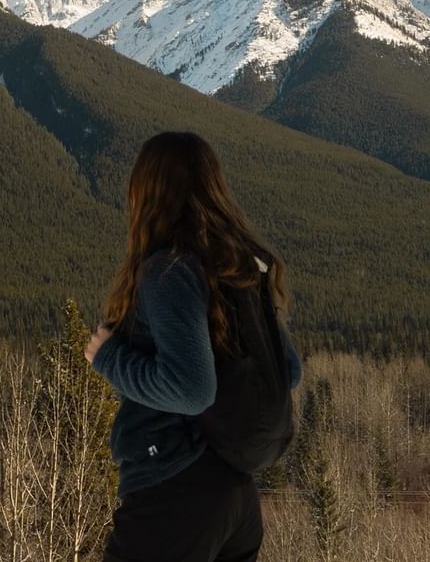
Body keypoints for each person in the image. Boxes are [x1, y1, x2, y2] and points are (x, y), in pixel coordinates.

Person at [85, 131, 302, 562]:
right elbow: (288, 369)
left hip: (174, 491)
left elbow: (191, 390)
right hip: (236, 494)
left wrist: (109, 357)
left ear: (148, 193)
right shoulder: (239, 269)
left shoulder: (169, 271)